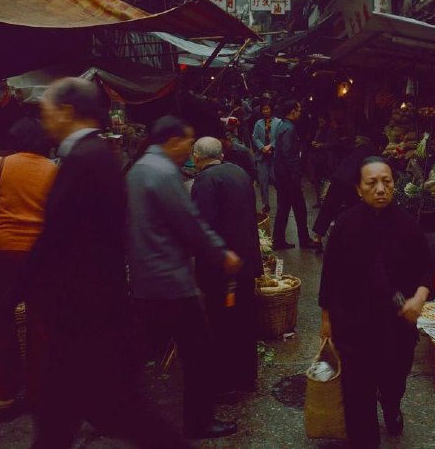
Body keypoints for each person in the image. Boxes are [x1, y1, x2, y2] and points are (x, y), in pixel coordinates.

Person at [29, 78, 183, 448]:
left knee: (124, 415)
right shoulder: (93, 155)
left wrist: (20, 287)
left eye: (45, 111)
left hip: (87, 318)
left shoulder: (88, 158)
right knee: (59, 419)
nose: (42, 120)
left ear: (67, 111)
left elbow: (60, 239)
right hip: (84, 316)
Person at [127, 117, 240, 439]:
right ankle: (199, 422)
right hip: (171, 282)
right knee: (199, 354)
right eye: (186, 144)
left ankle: (117, 407)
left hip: (144, 279)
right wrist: (222, 254)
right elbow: (190, 222)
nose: (189, 152)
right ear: (173, 140)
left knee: (141, 351)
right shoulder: (163, 173)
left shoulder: (137, 169)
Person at [319, 157, 434, 448]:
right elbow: (329, 274)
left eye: (387, 182)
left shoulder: (407, 224)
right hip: (353, 323)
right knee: (358, 392)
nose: (380, 189)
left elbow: (427, 267)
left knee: (394, 380)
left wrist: (419, 297)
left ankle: (392, 405)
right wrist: (326, 319)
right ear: (359, 189)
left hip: (396, 323)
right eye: (372, 183)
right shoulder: (345, 224)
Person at [0, 118, 58, 421]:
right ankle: (40, 392)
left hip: (0, 251)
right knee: (41, 322)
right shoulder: (54, 170)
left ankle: (4, 394)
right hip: (41, 254)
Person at [191, 137, 263, 394]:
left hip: (222, 268)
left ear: (197, 158)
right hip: (244, 262)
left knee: (223, 324)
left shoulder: (205, 181)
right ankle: (247, 378)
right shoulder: (240, 173)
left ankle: (228, 384)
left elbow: (203, 228)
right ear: (221, 154)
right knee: (244, 320)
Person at [312, 134, 382, 249]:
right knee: (357, 209)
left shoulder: (361, 148)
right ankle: (358, 238)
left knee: (328, 207)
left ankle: (317, 237)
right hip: (349, 181)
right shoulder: (374, 152)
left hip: (339, 176)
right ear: (381, 146)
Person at [272, 100, 317, 250]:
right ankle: (304, 241)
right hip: (289, 177)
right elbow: (287, 153)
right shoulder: (289, 128)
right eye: (298, 110)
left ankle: (278, 241)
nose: (300, 113)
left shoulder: (281, 126)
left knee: (283, 208)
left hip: (281, 175)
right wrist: (295, 174)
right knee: (300, 209)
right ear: (292, 111)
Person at [252, 100, 282, 214]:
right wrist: (262, 148)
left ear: (271, 109)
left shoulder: (278, 122)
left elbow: (279, 137)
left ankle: (281, 202)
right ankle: (266, 204)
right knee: (263, 181)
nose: (265, 111)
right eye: (263, 109)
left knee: (275, 179)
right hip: (261, 156)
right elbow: (255, 138)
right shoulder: (258, 123)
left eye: (267, 109)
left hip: (274, 156)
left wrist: (270, 146)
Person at [307, 115, 339, 208]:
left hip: (327, 160)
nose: (320, 124)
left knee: (327, 181)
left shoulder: (332, 131)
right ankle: (319, 201)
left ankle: (326, 201)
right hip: (318, 159)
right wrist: (314, 143)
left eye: (322, 122)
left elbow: (335, 143)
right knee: (317, 181)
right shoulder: (319, 131)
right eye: (319, 122)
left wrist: (322, 145)